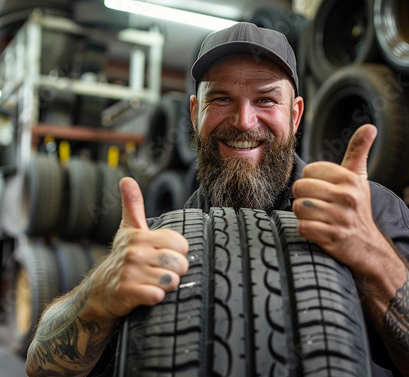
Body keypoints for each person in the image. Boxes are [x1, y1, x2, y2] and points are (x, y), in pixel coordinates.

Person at [25, 22, 409, 377]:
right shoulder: (160, 237)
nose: (243, 121)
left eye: (265, 100)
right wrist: (97, 296)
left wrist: (371, 255)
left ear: (295, 116)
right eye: (222, 99)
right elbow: (41, 368)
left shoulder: (370, 213)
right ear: (194, 113)